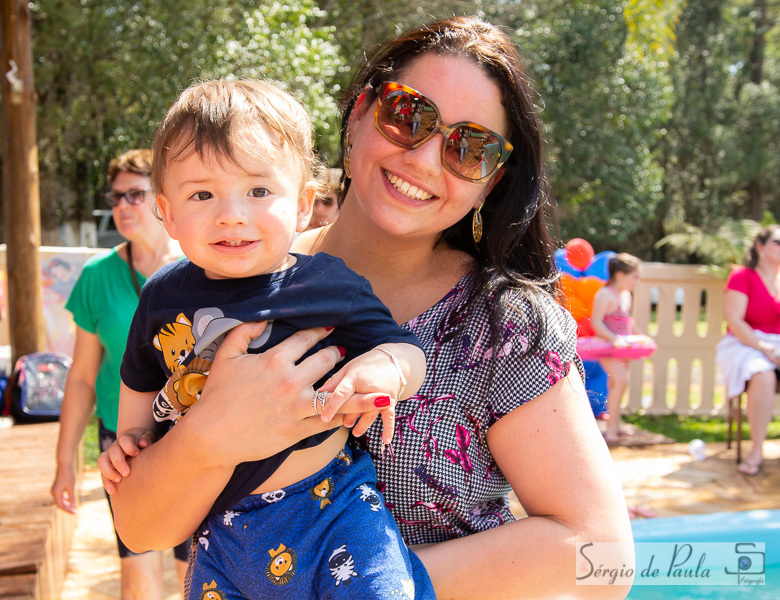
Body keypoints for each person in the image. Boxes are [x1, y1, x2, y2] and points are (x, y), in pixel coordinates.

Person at [101, 17, 633, 599]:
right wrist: (209, 435)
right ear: (358, 115)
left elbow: (604, 559)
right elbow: (140, 526)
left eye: (470, 147)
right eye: (409, 115)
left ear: (491, 181)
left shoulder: (507, 324)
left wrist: (358, 581)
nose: (427, 159)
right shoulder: (206, 283)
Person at [115, 79, 433, 599]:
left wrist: (384, 372)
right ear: (167, 213)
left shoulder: (327, 285)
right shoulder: (159, 298)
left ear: (304, 204)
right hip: (219, 530)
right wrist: (130, 446)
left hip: (334, 513)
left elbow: (405, 350)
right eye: (202, 193)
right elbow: (139, 407)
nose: (232, 214)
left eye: (259, 191)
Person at [49, 149, 190, 598]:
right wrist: (64, 464)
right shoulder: (96, 275)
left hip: (193, 437)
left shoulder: (202, 264)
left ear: (162, 200)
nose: (123, 205)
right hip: (124, 444)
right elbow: (81, 378)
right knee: (139, 568)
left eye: (136, 194)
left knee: (198, 571)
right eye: (116, 197)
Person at [716, 225, 780, 476]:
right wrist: (763, 347)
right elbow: (735, 319)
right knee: (762, 373)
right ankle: (756, 450)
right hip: (744, 343)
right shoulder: (742, 276)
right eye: (778, 242)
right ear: (760, 248)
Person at [589, 253, 654, 444]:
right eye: (635, 277)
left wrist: (639, 335)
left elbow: (627, 320)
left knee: (615, 384)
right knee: (621, 382)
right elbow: (596, 322)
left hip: (623, 347)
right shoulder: (605, 294)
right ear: (620, 275)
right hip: (608, 347)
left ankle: (616, 423)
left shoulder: (625, 295)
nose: (637, 281)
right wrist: (613, 338)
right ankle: (610, 429)